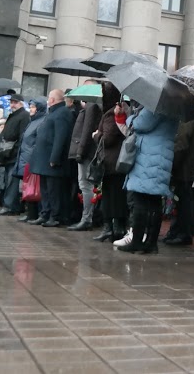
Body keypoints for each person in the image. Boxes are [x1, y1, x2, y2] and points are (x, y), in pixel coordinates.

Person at [117, 104, 181, 254]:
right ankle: (150, 243)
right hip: (157, 157)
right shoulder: (172, 105)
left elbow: (140, 124)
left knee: (140, 200)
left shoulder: (157, 105)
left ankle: (137, 241)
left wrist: (130, 116)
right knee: (153, 202)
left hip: (149, 159)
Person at [29, 89, 75, 227]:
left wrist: (55, 158)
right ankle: (45, 213)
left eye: (49, 98)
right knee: (45, 189)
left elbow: (61, 138)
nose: (48, 100)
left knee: (54, 190)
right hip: (44, 159)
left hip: (52, 160)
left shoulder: (62, 113)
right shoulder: (54, 113)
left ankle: (55, 216)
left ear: (53, 100)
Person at [93, 83, 127, 242]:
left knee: (110, 197)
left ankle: (109, 228)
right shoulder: (123, 110)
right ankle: (118, 228)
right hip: (119, 162)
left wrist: (96, 135)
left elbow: (108, 138)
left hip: (111, 163)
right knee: (118, 197)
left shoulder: (109, 114)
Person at [163, 114, 194, 246]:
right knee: (181, 200)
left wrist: (172, 164)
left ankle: (182, 233)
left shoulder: (187, 117)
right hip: (188, 166)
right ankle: (177, 231)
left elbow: (181, 143)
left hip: (183, 167)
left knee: (182, 201)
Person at [67, 93, 103, 231]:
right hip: (88, 151)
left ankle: (86, 218)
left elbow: (86, 130)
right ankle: (88, 217)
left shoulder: (91, 106)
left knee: (85, 185)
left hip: (86, 152)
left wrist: (80, 152)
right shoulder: (91, 107)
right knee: (87, 185)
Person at [0, 94, 31, 216]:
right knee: (8, 180)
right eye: (11, 102)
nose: (12, 104)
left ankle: (10, 206)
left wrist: (14, 151)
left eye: (15, 102)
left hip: (13, 154)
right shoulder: (13, 115)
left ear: (21, 103)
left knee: (11, 181)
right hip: (7, 153)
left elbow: (22, 136)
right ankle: (11, 206)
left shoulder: (24, 115)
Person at [15, 97, 47, 223]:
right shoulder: (32, 121)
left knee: (34, 188)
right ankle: (30, 213)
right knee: (28, 187)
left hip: (32, 160)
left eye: (33, 107)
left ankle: (34, 213)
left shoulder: (41, 121)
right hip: (26, 159)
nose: (31, 109)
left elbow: (38, 142)